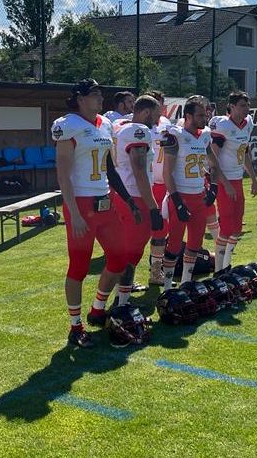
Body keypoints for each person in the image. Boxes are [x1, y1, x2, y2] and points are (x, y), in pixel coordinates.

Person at [52, 78, 127, 348]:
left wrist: (126, 200)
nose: (99, 99)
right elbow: (63, 174)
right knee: (79, 266)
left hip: (104, 200)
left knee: (121, 254)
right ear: (80, 99)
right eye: (94, 95)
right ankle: (75, 326)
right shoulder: (68, 125)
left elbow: (108, 167)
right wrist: (73, 212)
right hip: (81, 203)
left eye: (100, 94)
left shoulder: (104, 123)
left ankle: (97, 309)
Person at [160, 95, 230, 289]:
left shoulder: (205, 134)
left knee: (195, 243)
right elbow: (167, 173)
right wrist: (177, 201)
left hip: (199, 195)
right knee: (174, 244)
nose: (204, 119)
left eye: (205, 115)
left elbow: (214, 164)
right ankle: (166, 286)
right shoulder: (175, 135)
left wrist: (214, 187)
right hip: (180, 195)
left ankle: (185, 283)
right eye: (200, 115)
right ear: (188, 116)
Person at [110, 95, 164, 309]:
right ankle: (120, 303)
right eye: (157, 115)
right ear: (146, 112)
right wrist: (153, 207)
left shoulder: (121, 125)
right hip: (135, 195)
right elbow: (139, 170)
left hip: (124, 193)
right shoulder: (138, 131)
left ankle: (121, 296)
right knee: (132, 252)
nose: (158, 120)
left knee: (129, 250)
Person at [209, 91, 257, 272]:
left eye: (248, 105)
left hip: (237, 179)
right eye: (243, 105)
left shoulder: (247, 124)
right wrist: (225, 183)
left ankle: (226, 264)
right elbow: (211, 157)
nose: (247, 109)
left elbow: (245, 152)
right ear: (231, 106)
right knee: (227, 226)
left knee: (237, 227)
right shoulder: (223, 125)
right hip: (224, 180)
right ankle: (218, 269)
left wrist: (253, 178)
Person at [145, 90, 174, 284]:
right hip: (145, 184)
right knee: (138, 234)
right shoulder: (135, 125)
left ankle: (156, 271)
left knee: (162, 232)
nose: (159, 109)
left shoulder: (166, 124)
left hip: (164, 184)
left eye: (161, 104)